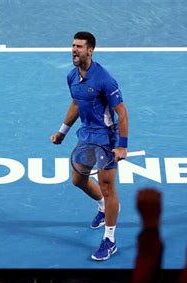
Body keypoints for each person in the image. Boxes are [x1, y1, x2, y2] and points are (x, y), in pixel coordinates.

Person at [51, 31, 129, 261]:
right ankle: (104, 207)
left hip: (106, 138)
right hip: (86, 136)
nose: (74, 50)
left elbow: (122, 113)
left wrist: (122, 146)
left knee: (108, 187)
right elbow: (77, 102)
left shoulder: (104, 79)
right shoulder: (71, 77)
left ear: (90, 50)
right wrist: (62, 132)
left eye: (79, 47)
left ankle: (110, 240)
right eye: (73, 46)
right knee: (78, 180)